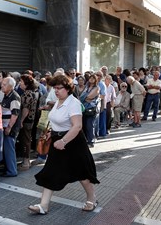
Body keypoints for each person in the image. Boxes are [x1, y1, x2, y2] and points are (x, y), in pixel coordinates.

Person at [29, 75, 99, 215]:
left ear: (67, 89)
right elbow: (56, 120)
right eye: (54, 88)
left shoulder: (73, 103)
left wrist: (63, 141)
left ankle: (92, 199)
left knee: (82, 174)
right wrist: (52, 134)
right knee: (50, 172)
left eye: (59, 88)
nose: (56, 91)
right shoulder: (58, 101)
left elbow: (77, 126)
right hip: (57, 142)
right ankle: (43, 206)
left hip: (73, 143)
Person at [0, 77, 21, 177]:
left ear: (11, 86)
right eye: (2, 84)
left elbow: (15, 114)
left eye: (4, 84)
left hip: (10, 128)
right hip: (6, 126)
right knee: (7, 150)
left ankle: (12, 171)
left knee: (9, 150)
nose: (2, 86)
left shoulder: (14, 96)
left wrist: (9, 127)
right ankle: (8, 169)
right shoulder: (7, 95)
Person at [17, 74, 39, 170]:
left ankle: (26, 163)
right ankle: (26, 161)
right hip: (30, 120)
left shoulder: (27, 94)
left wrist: (21, 121)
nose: (19, 83)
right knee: (27, 139)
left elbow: (25, 109)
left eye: (21, 81)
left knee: (25, 140)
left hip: (26, 121)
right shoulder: (32, 93)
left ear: (26, 83)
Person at [79, 74, 100, 147]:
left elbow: (90, 96)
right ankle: (86, 140)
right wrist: (86, 98)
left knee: (90, 125)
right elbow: (82, 97)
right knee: (84, 125)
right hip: (84, 108)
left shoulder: (97, 88)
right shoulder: (86, 87)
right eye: (90, 78)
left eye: (93, 78)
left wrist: (86, 97)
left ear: (96, 80)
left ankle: (91, 141)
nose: (91, 79)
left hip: (91, 109)